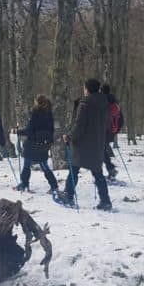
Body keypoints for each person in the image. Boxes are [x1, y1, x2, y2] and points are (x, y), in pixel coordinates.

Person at [57, 78, 112, 211]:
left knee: (74, 169)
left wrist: (69, 136)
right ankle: (105, 200)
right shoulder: (104, 103)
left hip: (83, 144)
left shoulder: (85, 103)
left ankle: (68, 195)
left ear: (87, 89)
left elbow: (80, 125)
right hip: (97, 143)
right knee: (98, 173)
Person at [16, 95, 58, 194]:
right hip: (44, 143)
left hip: (33, 143)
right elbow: (51, 130)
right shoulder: (49, 114)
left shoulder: (36, 114)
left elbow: (30, 130)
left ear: (37, 103)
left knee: (27, 164)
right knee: (44, 165)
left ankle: (24, 184)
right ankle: (54, 186)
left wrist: (20, 132)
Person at [101, 84, 124, 180]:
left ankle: (110, 169)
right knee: (102, 151)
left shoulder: (103, 102)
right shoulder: (115, 103)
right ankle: (110, 169)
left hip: (103, 131)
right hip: (111, 131)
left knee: (100, 151)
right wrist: (116, 131)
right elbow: (121, 120)